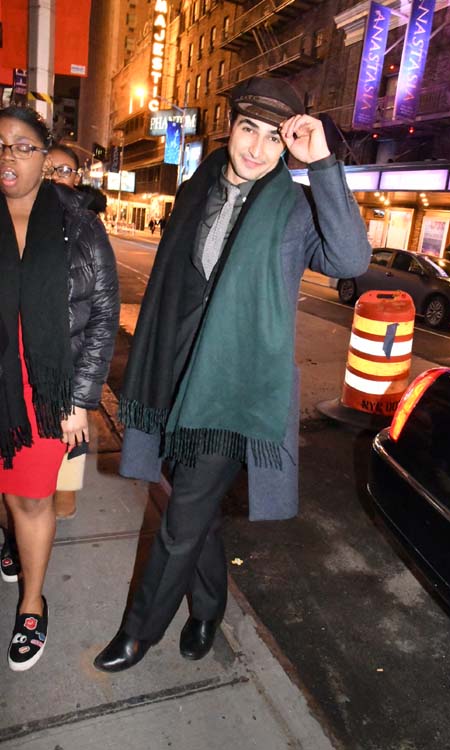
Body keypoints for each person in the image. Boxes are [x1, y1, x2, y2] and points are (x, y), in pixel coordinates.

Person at [94, 76, 371, 673]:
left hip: (232, 391)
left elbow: (349, 259)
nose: (258, 148)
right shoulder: (197, 188)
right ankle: (209, 608)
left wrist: (321, 164)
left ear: (289, 145)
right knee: (190, 512)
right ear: (230, 127)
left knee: (184, 514)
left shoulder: (295, 209)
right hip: (173, 378)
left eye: (276, 138)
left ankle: (138, 632)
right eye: (250, 129)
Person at [0, 104, 119, 671]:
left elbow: (102, 310)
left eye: (24, 145)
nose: (9, 155)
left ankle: (31, 600)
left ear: (46, 158)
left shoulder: (77, 222)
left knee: (31, 497)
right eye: (0, 144)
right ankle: (11, 545)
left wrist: (80, 398)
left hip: (44, 386)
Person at [47, 144, 86, 519]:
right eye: (51, 169)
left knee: (64, 496)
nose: (58, 177)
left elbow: (104, 308)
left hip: (72, 352)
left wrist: (85, 395)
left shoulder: (87, 225)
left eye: (66, 170)